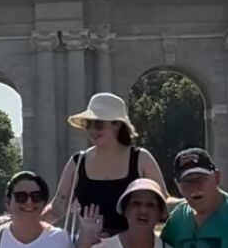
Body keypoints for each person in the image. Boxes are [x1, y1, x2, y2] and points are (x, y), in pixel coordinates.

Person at [47, 93, 167, 237]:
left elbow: (163, 206)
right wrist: (24, 224)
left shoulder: (141, 158)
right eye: (88, 124)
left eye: (98, 124)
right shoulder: (77, 162)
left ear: (117, 124)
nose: (92, 130)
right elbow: (57, 208)